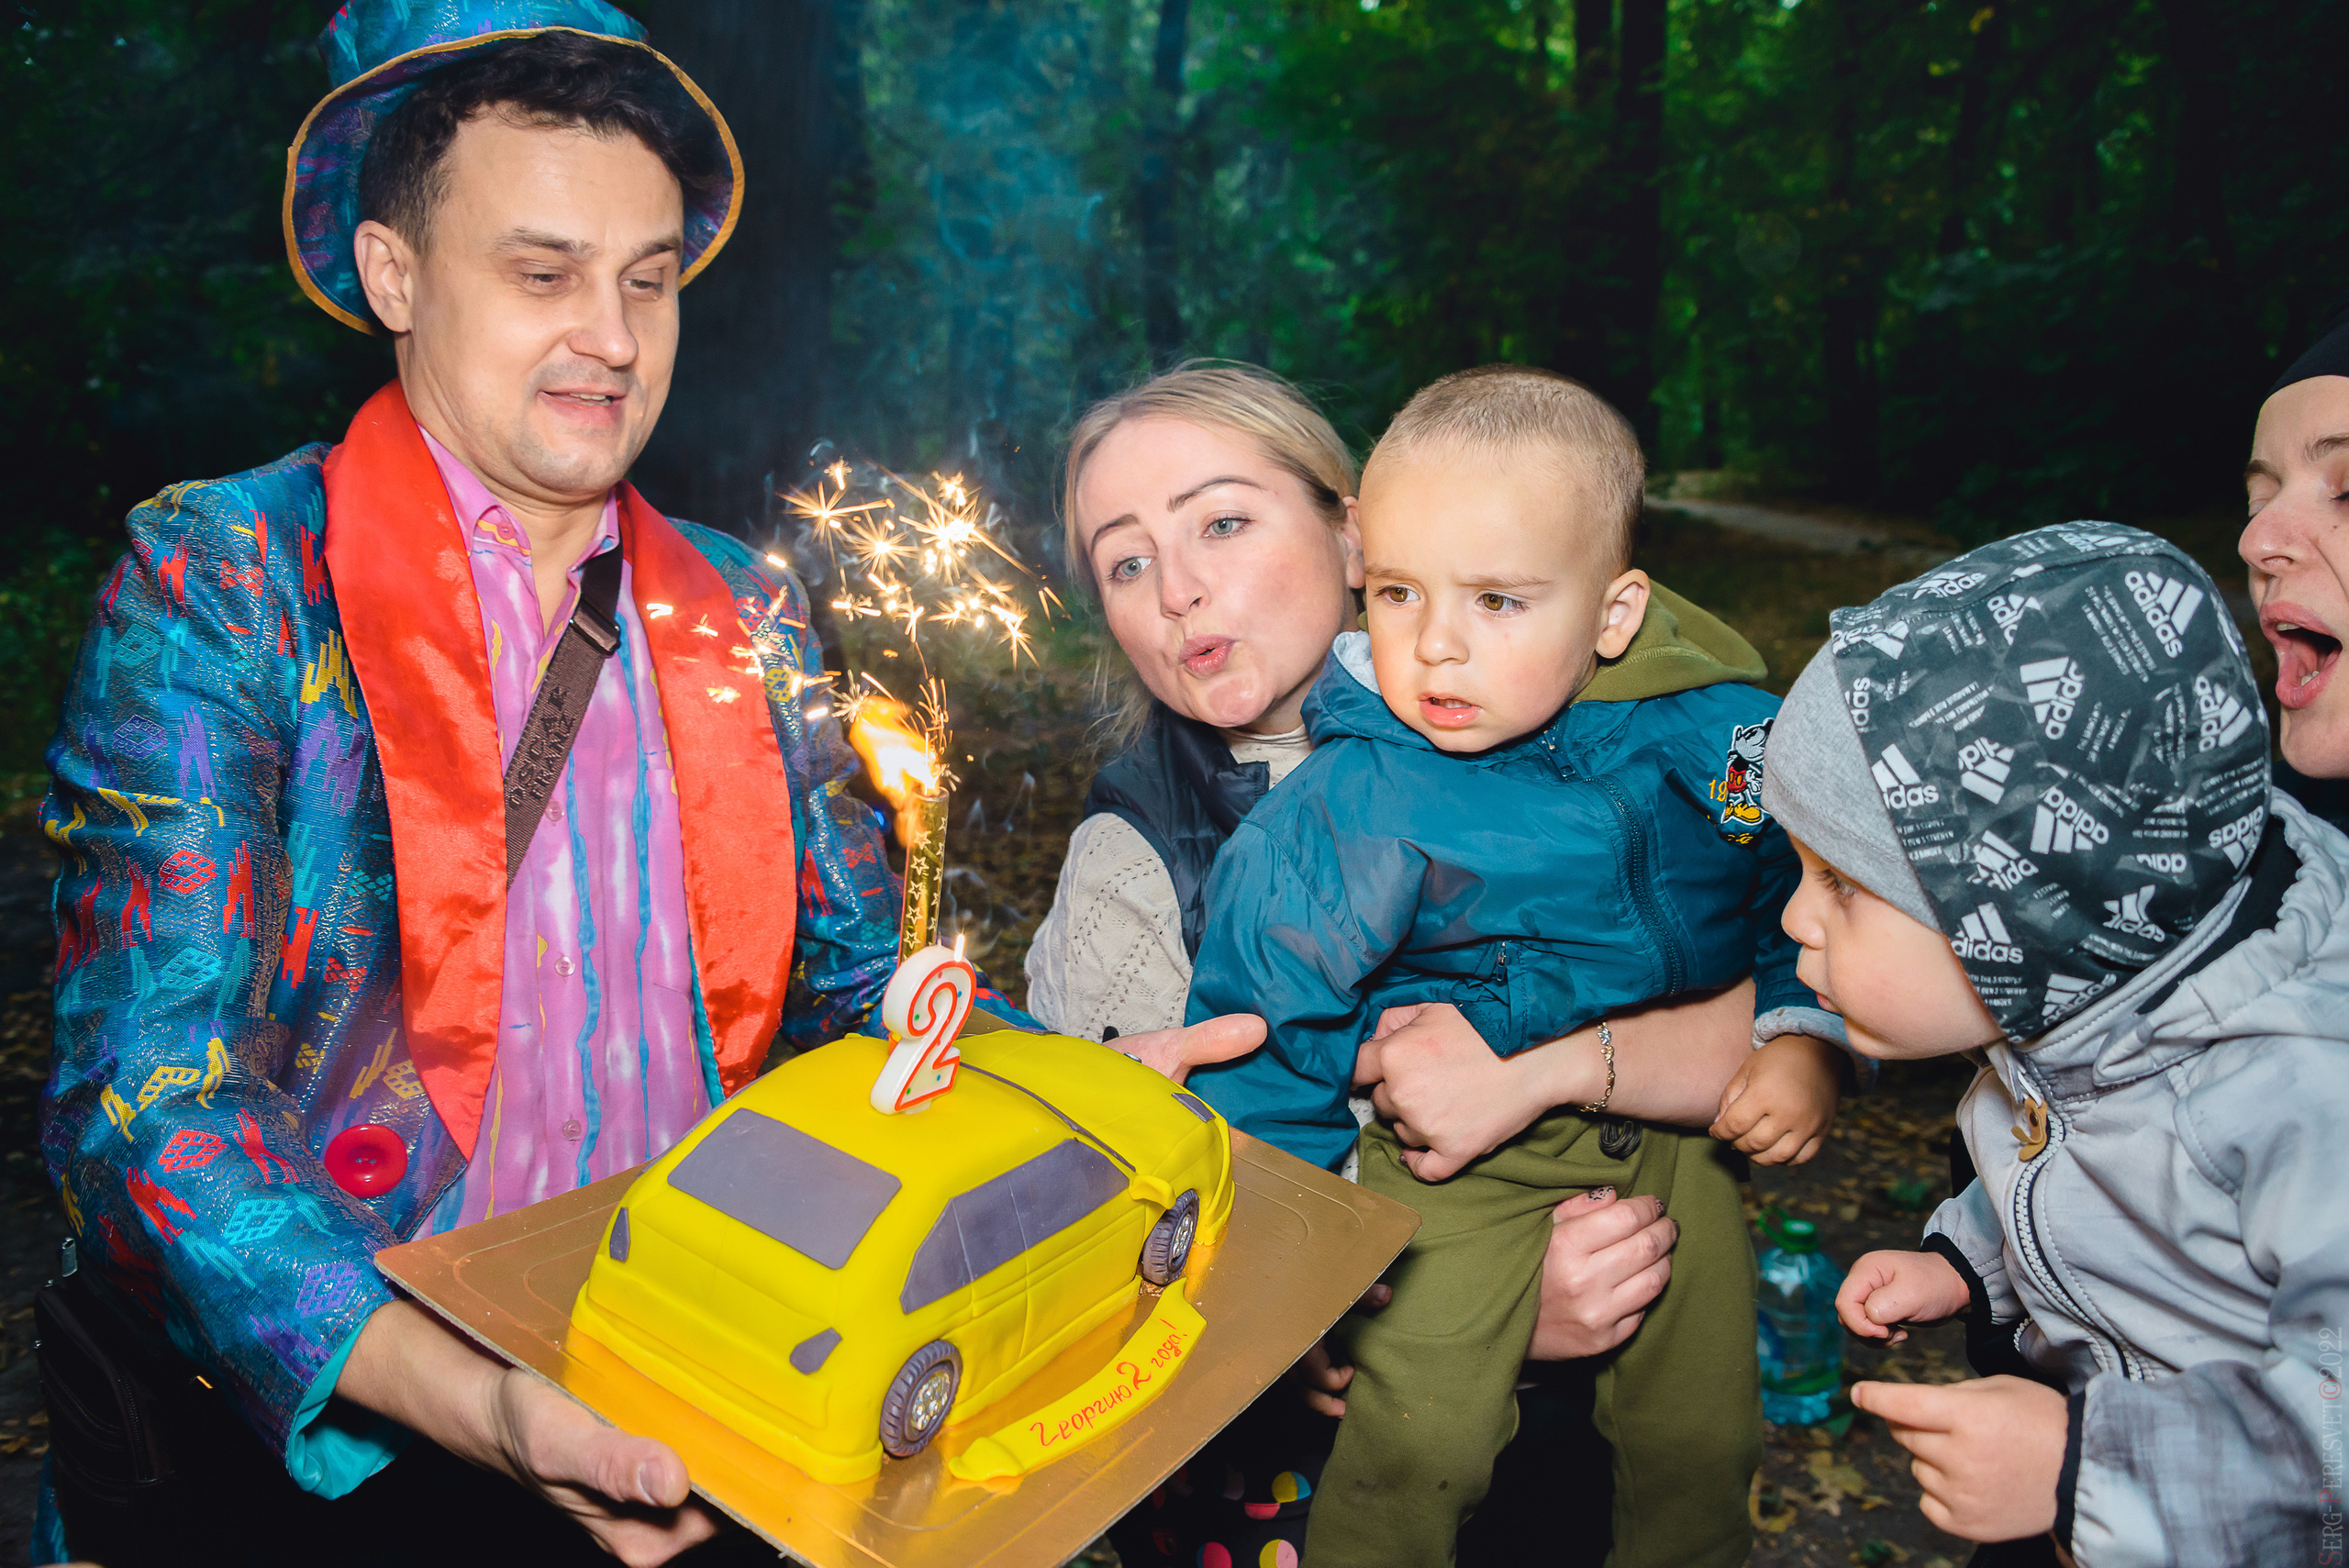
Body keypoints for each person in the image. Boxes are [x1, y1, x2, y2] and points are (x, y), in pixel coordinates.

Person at [32, 6, 1241, 1563]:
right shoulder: (234, 580)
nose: (612, 335)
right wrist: (472, 1398)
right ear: (395, 273)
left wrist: (1046, 1089)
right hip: (383, 1407)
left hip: (724, 1350)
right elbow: (151, 1098)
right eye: (542, 272)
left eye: (649, 277)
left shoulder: (742, 605)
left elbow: (855, 975)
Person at [1039, 362, 1798, 1565]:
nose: (1178, 591)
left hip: (1597, 1432)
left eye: (1222, 522)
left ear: (1353, 534)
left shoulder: (1593, 703)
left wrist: (1551, 1075)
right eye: (1126, 562)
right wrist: (1424, 1304)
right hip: (1303, 1478)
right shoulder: (1131, 869)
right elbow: (1110, 1282)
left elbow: (1794, 971)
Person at [1760, 524, 2345, 1565]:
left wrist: (2086, 1467)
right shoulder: (2088, 1002)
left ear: (2032, 905)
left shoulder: (2297, 1093)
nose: (1796, 921)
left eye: (1842, 884)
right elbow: (2087, 1164)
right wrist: (1967, 1256)